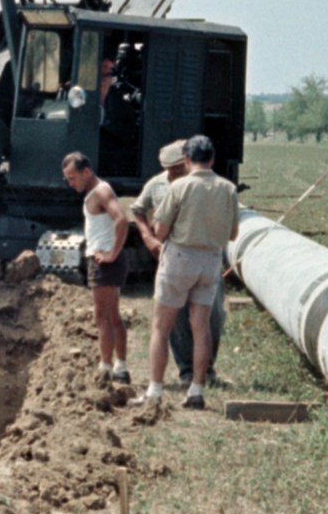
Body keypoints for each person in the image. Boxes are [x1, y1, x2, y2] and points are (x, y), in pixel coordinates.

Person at [136, 134, 239, 410]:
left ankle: (155, 391)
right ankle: (196, 390)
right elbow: (233, 233)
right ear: (212, 159)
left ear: (186, 159)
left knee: (161, 326)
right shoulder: (229, 188)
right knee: (201, 327)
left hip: (181, 257)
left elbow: (160, 230)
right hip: (211, 261)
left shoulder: (179, 187)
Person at [130, 140, 200, 384]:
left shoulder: (201, 183)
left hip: (200, 254)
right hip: (171, 256)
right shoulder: (157, 184)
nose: (172, 173)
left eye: (177, 168)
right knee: (177, 316)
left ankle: (205, 369)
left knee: (211, 316)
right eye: (168, 168)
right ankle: (187, 371)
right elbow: (137, 210)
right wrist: (148, 238)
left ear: (187, 163)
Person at [61, 151, 131, 384]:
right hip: (105, 259)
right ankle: (120, 368)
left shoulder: (101, 191)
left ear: (86, 172)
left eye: (73, 178)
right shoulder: (94, 192)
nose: (71, 183)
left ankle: (106, 370)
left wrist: (112, 253)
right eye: (68, 179)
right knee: (112, 316)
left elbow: (122, 219)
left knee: (101, 317)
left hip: (104, 262)